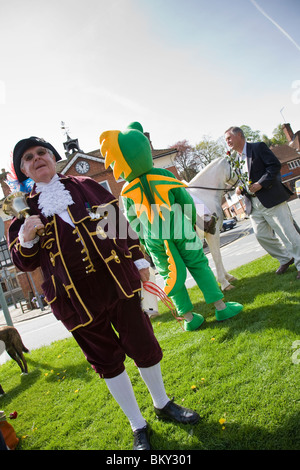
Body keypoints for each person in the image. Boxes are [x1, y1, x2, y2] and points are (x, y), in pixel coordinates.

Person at [7, 136, 201, 450]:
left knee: (143, 343)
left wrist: (138, 258)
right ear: (24, 170)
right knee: (106, 360)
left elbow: (119, 222)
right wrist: (27, 238)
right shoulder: (21, 208)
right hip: (73, 299)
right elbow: (23, 261)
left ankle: (163, 403)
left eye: (41, 152)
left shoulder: (85, 184)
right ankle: (138, 425)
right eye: (28, 157)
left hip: (117, 281)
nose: (36, 158)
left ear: (53, 157)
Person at [100, 122, 243, 331]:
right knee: (199, 265)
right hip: (182, 232)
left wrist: (145, 245)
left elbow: (134, 223)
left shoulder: (126, 191)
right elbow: (186, 203)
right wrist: (199, 220)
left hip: (155, 240)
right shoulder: (164, 175)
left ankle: (188, 318)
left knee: (169, 274)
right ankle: (220, 307)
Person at [224, 126, 300, 280]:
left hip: (271, 197)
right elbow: (243, 179)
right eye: (226, 140)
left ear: (239, 135)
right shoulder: (236, 158)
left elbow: (274, 166)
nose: (228, 142)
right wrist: (240, 188)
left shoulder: (258, 147)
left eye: (229, 138)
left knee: (288, 232)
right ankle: (285, 258)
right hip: (253, 203)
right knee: (261, 235)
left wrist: (261, 183)